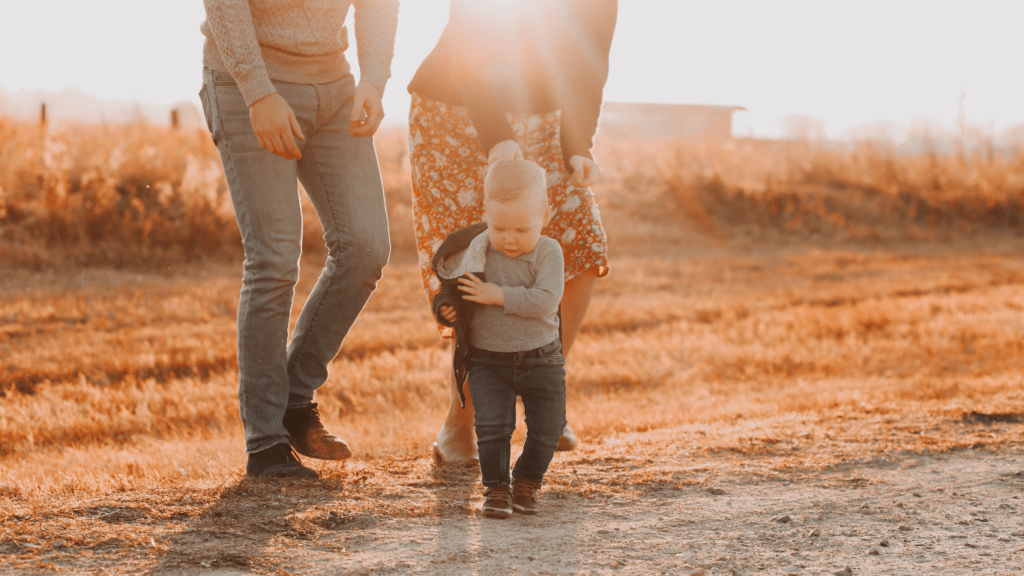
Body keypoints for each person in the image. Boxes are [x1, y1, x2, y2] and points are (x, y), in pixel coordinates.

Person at [407, 0, 618, 465]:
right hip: (455, 113)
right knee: (477, 262)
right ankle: (460, 422)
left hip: (547, 121)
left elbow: (590, 65)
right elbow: (471, 38)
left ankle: (544, 393)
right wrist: (495, 133)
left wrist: (579, 142)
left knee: (581, 244)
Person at [198, 0, 399, 479]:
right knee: (274, 260)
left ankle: (293, 397)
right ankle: (266, 443)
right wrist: (257, 92)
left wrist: (373, 77)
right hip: (249, 83)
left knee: (366, 247)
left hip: (335, 86)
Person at [431, 160, 565, 517]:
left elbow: (546, 300)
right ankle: (496, 490)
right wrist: (446, 308)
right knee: (492, 428)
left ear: (544, 216)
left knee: (549, 428)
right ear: (486, 214)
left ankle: (526, 482)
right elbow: (452, 290)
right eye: (498, 226)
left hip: (542, 358)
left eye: (522, 229)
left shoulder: (548, 251)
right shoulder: (476, 250)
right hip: (488, 360)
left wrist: (498, 295)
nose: (509, 238)